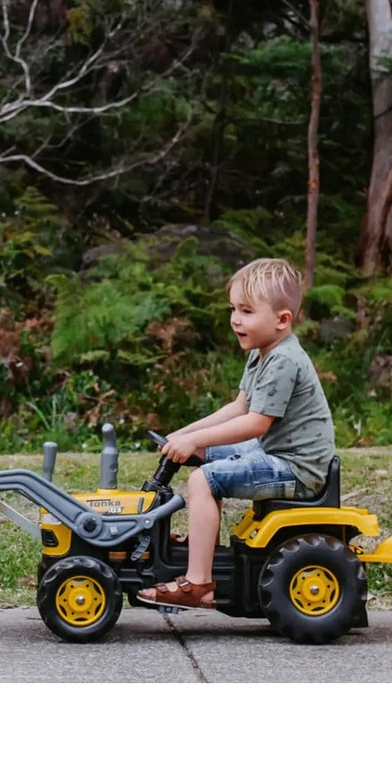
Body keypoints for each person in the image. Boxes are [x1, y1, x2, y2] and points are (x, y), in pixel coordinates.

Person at [137, 257, 336, 610]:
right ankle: (184, 545)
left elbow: (256, 423)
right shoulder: (262, 354)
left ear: (282, 319)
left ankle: (199, 584)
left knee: (203, 480)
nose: (234, 319)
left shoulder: (284, 360)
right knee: (202, 456)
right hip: (274, 451)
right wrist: (183, 436)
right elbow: (238, 408)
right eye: (233, 308)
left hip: (296, 467)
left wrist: (196, 440)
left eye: (246, 310)